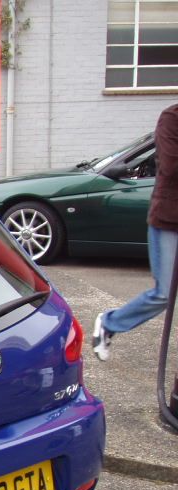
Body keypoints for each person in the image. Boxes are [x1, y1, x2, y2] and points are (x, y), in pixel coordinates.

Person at [92, 102, 178, 362]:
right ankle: (110, 322)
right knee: (164, 293)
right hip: (170, 220)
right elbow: (172, 165)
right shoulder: (171, 118)